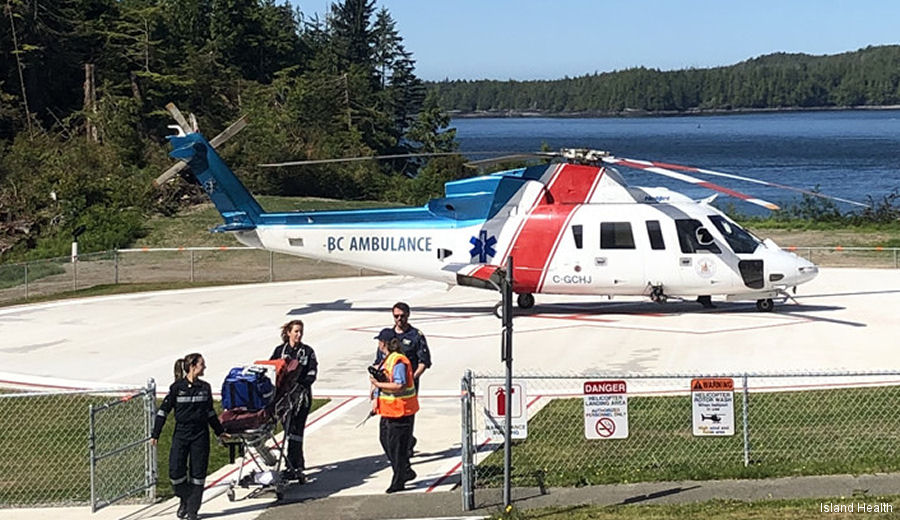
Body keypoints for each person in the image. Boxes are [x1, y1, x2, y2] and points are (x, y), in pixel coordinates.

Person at [151, 353, 227, 520]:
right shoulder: (177, 388)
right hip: (181, 434)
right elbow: (163, 412)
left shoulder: (205, 388)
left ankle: (192, 510)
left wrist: (219, 431)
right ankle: (184, 497)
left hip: (200, 435)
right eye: (202, 364)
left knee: (198, 475)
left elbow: (210, 413)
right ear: (193, 366)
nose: (204, 367)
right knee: (175, 471)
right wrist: (155, 434)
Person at [372, 302, 431, 455]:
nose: (399, 319)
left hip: (407, 385)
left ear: (408, 315)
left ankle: (406, 446)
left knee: (407, 415)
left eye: (402, 316)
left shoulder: (415, 336)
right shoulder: (388, 336)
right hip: (388, 385)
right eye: (396, 316)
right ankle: (401, 444)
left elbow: (423, 362)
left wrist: (411, 377)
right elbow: (380, 361)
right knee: (389, 420)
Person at [370, 336, 419, 493]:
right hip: (389, 411)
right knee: (386, 441)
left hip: (401, 412)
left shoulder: (397, 361)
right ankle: (405, 471)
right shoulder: (388, 359)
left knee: (397, 448)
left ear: (383, 344)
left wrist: (378, 384)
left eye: (379, 342)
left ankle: (398, 480)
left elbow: (399, 384)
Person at [270, 319, 318, 480]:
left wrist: (301, 385)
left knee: (297, 430)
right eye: (296, 331)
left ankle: (294, 464)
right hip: (283, 398)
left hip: (301, 397)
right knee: (288, 431)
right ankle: (296, 461)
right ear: (288, 333)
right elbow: (271, 369)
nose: (299, 334)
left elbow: (312, 372)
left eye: (301, 331)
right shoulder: (279, 350)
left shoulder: (308, 351)